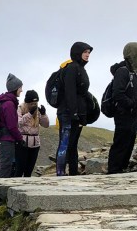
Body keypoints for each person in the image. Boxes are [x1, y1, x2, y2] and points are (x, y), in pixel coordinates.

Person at [108, 42, 137, 174]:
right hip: (123, 113)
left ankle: (121, 168)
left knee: (129, 142)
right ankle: (114, 170)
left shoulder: (133, 71)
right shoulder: (123, 71)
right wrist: (131, 104)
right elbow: (117, 94)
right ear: (134, 53)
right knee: (121, 142)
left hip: (131, 113)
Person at [56, 42, 93, 176]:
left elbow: (81, 93)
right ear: (78, 53)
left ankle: (73, 173)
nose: (88, 55)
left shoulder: (81, 69)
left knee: (73, 145)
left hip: (78, 113)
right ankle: (60, 174)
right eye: (85, 52)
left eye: (89, 52)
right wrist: (74, 113)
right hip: (68, 113)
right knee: (65, 144)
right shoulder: (72, 68)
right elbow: (70, 92)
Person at [0, 75, 24, 177]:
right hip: (6, 139)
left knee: (5, 165)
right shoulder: (9, 104)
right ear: (15, 88)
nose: (21, 90)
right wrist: (20, 138)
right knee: (5, 165)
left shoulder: (5, 102)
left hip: (2, 139)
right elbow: (12, 126)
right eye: (20, 87)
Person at [16, 90, 50, 177]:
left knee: (29, 169)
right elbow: (18, 123)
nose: (34, 105)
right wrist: (29, 114)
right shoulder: (20, 109)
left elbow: (46, 125)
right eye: (31, 103)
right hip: (23, 143)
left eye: (35, 103)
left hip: (35, 144)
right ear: (27, 102)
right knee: (20, 168)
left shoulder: (37, 111)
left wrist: (43, 114)